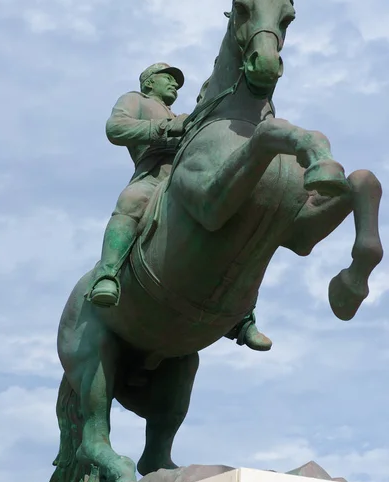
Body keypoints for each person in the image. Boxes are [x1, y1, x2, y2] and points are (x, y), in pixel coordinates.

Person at [87, 62, 272, 352]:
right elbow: (116, 128)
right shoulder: (136, 99)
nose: (174, 84)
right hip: (153, 177)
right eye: (167, 78)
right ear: (149, 82)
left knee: (238, 224)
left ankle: (241, 317)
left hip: (189, 176)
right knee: (131, 202)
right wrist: (166, 127)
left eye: (176, 81)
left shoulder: (184, 114)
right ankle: (107, 275)